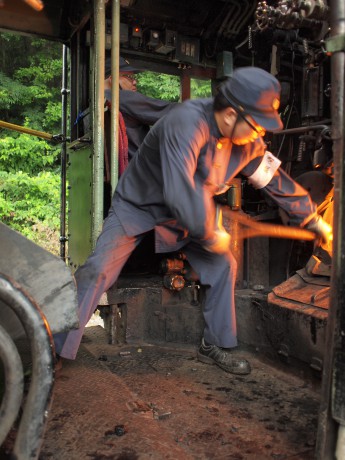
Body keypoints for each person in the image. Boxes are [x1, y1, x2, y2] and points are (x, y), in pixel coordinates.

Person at [55, 67, 332, 375]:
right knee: (98, 270)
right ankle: (54, 349)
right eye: (256, 125)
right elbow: (179, 190)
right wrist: (211, 232)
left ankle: (214, 344)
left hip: (185, 214)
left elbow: (273, 178)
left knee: (223, 265)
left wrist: (309, 216)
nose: (261, 133)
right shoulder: (185, 122)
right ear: (230, 114)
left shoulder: (248, 142)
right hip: (140, 204)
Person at [104, 56, 176, 161]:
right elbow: (167, 111)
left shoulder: (102, 101)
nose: (134, 82)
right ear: (113, 79)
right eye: (128, 77)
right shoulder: (122, 97)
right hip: (144, 170)